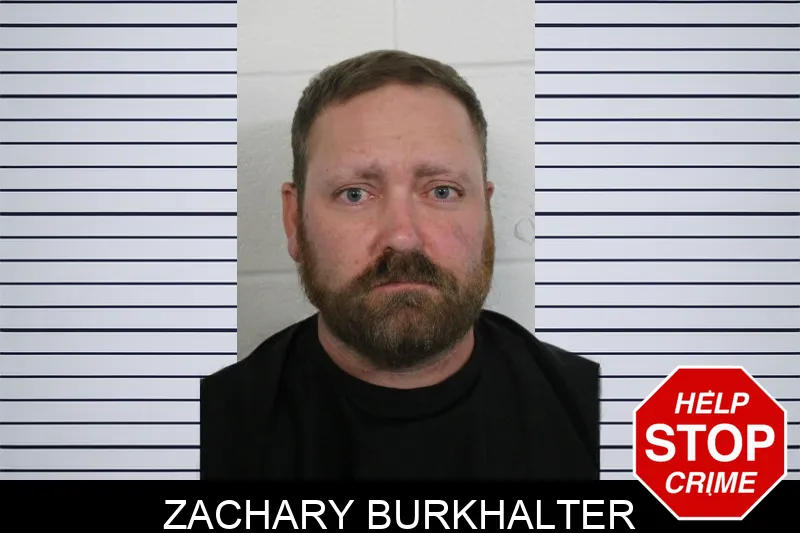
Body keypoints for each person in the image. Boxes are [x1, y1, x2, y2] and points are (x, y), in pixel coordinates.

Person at [200, 49, 600, 480]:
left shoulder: (612, 418)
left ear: (486, 212)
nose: (403, 237)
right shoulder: (203, 437)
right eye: (355, 194)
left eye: (442, 191)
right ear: (295, 220)